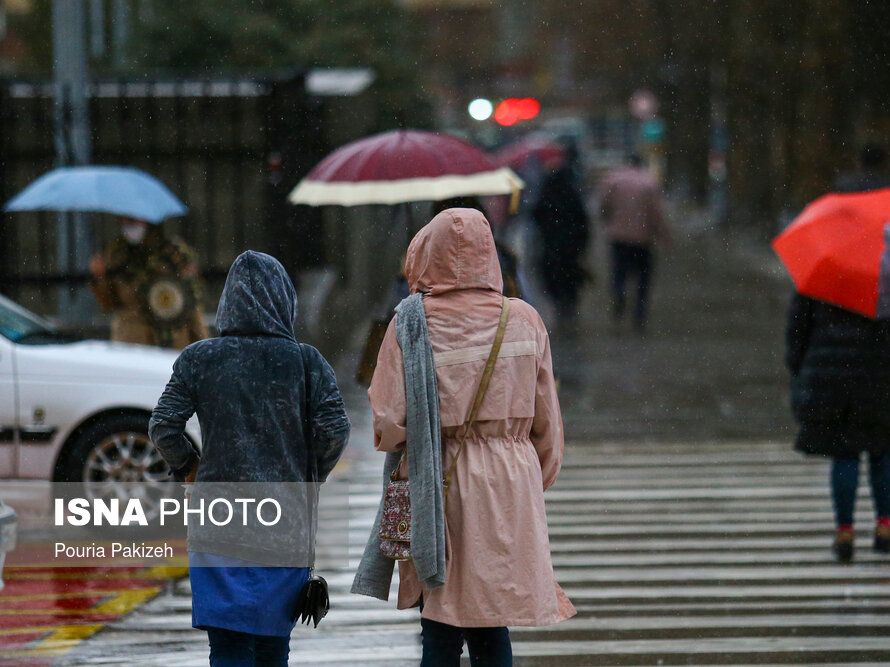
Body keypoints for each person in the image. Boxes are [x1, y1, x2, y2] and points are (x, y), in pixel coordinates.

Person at [353, 208, 575, 666]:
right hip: (510, 479)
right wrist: (531, 476)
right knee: (492, 620)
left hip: (440, 478)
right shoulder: (524, 319)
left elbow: (390, 423)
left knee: (440, 619)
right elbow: (547, 423)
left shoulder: (410, 323)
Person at [149, 251, 351, 666]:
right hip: (285, 523)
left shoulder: (199, 358)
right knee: (273, 643)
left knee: (227, 645)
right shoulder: (306, 361)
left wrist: (191, 468)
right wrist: (308, 474)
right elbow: (334, 431)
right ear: (285, 300)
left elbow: (163, 426)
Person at [786, 294, 890, 562]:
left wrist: (799, 366)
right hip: (883, 370)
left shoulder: (821, 274)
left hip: (832, 373)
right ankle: (884, 526)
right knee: (882, 449)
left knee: (844, 451)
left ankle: (845, 532)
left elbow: (798, 328)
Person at [89, 217, 210, 348]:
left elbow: (192, 302)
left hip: (174, 337)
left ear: (148, 221)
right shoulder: (116, 256)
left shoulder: (174, 254)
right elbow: (109, 302)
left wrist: (202, 342)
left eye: (133, 221)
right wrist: (100, 277)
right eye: (125, 222)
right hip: (132, 339)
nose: (129, 227)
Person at [597, 154, 671, 331]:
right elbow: (656, 213)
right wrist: (664, 235)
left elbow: (603, 206)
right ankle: (639, 311)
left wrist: (609, 221)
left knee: (619, 272)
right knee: (643, 278)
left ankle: (619, 296)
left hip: (618, 237)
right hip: (642, 239)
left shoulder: (612, 181)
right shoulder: (648, 183)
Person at [531, 144, 590, 332]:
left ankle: (560, 305)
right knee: (569, 277)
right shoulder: (571, 193)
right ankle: (568, 305)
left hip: (552, 245)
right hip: (570, 246)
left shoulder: (547, 193)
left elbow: (536, 215)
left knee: (553, 276)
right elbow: (582, 220)